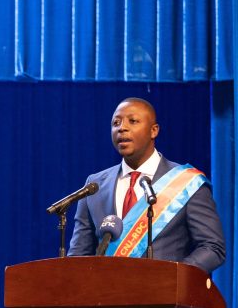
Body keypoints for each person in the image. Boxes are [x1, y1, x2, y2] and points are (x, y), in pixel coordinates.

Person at [68, 97, 225, 274]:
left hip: (164, 289)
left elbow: (212, 247)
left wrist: (173, 277)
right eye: (116, 123)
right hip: (107, 290)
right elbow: (78, 255)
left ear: (153, 131)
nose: (122, 128)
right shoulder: (95, 185)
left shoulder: (186, 182)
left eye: (132, 121)